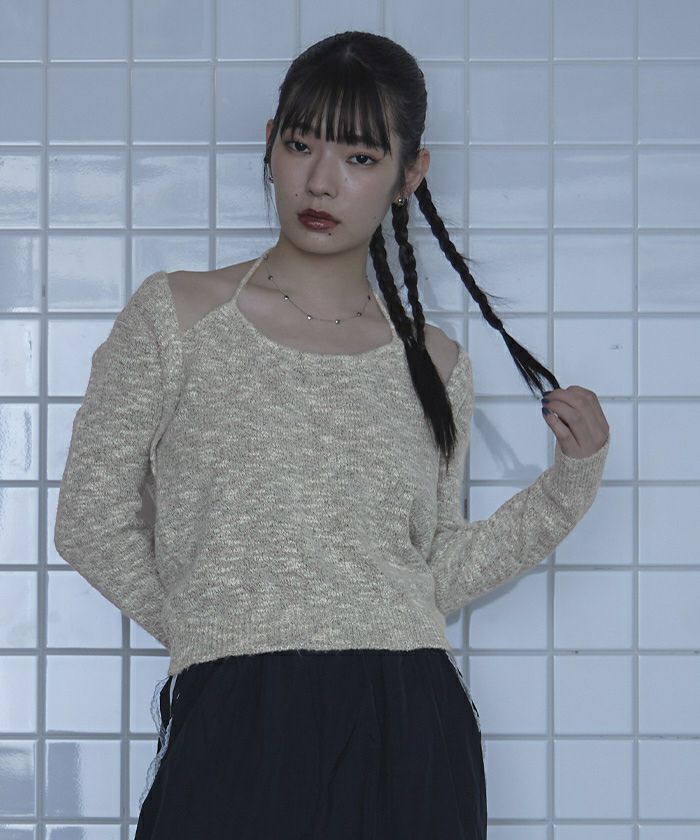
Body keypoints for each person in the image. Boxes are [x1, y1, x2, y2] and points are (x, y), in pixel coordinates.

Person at [54, 30, 610, 840]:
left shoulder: (435, 362)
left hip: (408, 725)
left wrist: (571, 480)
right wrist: (219, 630)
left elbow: (433, 569)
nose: (320, 180)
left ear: (409, 175)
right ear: (269, 144)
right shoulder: (176, 318)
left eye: (359, 157)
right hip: (235, 717)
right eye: (300, 144)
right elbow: (89, 519)